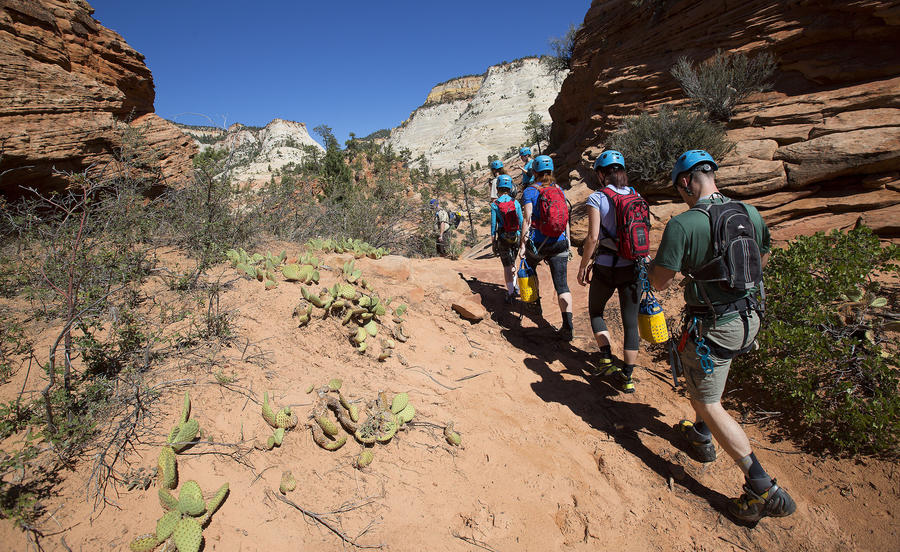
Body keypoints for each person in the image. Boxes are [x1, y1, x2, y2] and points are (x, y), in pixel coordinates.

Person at [648, 149, 796, 522]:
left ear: (685, 182)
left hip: (715, 326)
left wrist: (664, 270)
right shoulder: (749, 212)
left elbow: (659, 283)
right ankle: (699, 434)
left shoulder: (684, 224)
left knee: (709, 400)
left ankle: (762, 486)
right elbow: (760, 260)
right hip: (750, 317)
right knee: (708, 379)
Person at [576, 150, 642, 393]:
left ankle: (605, 357)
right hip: (632, 266)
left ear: (602, 174)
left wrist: (583, 266)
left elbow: (593, 237)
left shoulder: (597, 198)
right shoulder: (635, 194)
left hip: (606, 266)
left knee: (596, 311)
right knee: (630, 323)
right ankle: (627, 377)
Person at [518, 154, 574, 340]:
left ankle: (534, 304)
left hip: (539, 243)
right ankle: (568, 326)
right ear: (551, 171)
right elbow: (564, 217)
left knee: (529, 267)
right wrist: (569, 242)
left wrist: (523, 245)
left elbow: (527, 219)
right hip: (559, 242)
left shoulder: (530, 191)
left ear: (534, 171)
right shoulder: (558, 189)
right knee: (562, 286)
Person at [490, 175, 523, 303]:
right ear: (510, 188)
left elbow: (493, 226)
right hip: (515, 237)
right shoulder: (515, 202)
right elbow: (520, 221)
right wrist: (520, 236)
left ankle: (510, 293)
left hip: (503, 238)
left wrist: (493, 242)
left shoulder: (495, 205)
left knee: (506, 266)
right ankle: (515, 287)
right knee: (513, 262)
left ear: (498, 187)